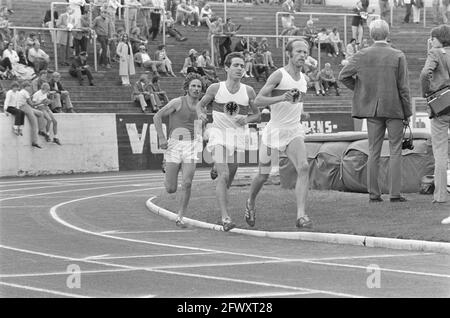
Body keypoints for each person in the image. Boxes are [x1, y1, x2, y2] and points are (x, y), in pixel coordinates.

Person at [339, 19, 411, 203]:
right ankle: (395, 194)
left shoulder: (362, 54)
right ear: (388, 34)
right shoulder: (398, 55)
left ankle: (374, 193)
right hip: (394, 107)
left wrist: (361, 90)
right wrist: (407, 112)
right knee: (395, 150)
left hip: (371, 108)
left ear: (371, 35)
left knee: (374, 150)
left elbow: (343, 76)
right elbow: (403, 88)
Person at [244, 39, 311, 229]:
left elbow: (296, 101)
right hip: (274, 131)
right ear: (289, 54)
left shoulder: (304, 79)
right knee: (263, 175)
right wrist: (282, 97)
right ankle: (250, 201)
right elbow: (257, 101)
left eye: (305, 52)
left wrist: (301, 112)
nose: (302, 56)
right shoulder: (278, 75)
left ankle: (301, 216)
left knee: (304, 167)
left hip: (293, 131)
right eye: (298, 52)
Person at [196, 52, 261, 231]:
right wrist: (201, 114)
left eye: (242, 65)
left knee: (228, 181)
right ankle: (225, 218)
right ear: (226, 67)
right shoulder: (215, 88)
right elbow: (200, 105)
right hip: (218, 134)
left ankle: (217, 167)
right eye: (236, 65)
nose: (240, 68)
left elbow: (257, 114)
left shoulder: (248, 91)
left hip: (237, 137)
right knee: (223, 177)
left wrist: (247, 120)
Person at [154, 73, 205, 228]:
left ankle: (180, 216)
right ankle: (166, 165)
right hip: (174, 144)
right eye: (193, 86)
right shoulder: (177, 102)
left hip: (191, 146)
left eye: (199, 87)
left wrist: (202, 127)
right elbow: (157, 116)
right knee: (171, 188)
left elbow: (198, 128)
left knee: (187, 183)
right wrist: (162, 138)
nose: (196, 89)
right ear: (187, 88)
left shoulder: (202, 107)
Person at [419, 24, 450, 205]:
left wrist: (427, 91)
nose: (431, 40)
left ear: (439, 38)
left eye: (433, 37)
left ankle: (440, 196)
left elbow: (424, 73)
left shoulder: (435, 53)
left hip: (441, 106)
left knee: (440, 152)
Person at [17, 81, 44, 148]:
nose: (29, 88)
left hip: (24, 106)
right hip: (24, 107)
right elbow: (32, 104)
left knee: (40, 113)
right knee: (34, 124)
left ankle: (41, 130)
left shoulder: (22, 92)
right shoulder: (25, 92)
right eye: (28, 86)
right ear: (25, 87)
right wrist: (41, 102)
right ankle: (34, 142)